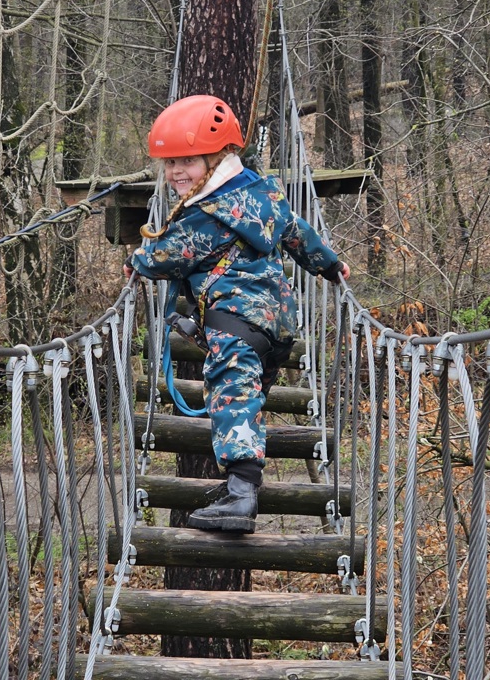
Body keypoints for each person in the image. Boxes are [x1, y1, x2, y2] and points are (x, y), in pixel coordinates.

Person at [124, 94, 350, 533]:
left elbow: (164, 258)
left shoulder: (202, 217)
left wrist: (138, 261)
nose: (174, 174)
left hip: (234, 328)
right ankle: (238, 490)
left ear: (219, 157)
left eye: (187, 162)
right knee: (247, 401)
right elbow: (296, 234)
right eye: (169, 165)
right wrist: (329, 264)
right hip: (279, 329)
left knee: (232, 399)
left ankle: (242, 497)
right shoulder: (265, 191)